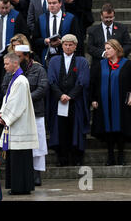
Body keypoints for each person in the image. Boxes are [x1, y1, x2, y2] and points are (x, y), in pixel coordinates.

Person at [91, 39, 131, 166]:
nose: (106, 51)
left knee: (121, 129)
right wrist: (93, 99)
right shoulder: (100, 64)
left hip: (122, 104)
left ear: (116, 49)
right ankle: (110, 157)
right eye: (106, 48)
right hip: (104, 104)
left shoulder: (128, 64)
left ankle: (120, 156)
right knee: (107, 129)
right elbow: (93, 84)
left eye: (109, 48)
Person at [2, 45, 48, 186]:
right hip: (16, 114)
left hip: (35, 111)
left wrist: (26, 98)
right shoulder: (11, 73)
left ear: (27, 56)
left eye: (19, 56)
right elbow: (5, 89)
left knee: (37, 145)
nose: (17, 58)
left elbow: (42, 88)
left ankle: (36, 173)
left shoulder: (38, 69)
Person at [0, 52, 38, 195]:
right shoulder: (14, 79)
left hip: (19, 126)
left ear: (16, 63)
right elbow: (7, 99)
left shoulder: (21, 81)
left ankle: (21, 187)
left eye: (7, 63)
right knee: (15, 157)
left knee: (20, 158)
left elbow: (17, 103)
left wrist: (6, 117)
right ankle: (16, 186)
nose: (4, 66)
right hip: (14, 125)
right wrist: (2, 113)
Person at [47, 34, 90, 166]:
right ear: (62, 45)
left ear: (75, 46)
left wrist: (70, 96)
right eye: (65, 44)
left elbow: (82, 81)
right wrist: (60, 95)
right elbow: (51, 80)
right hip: (59, 101)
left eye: (71, 44)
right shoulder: (54, 60)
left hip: (75, 101)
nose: (68, 47)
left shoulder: (81, 61)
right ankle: (62, 158)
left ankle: (76, 158)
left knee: (75, 128)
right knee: (61, 128)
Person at [32, 0, 81, 66]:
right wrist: (45, 41)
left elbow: (77, 38)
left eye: (54, 3)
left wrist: (62, 42)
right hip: (46, 56)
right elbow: (35, 39)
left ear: (60, 3)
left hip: (65, 56)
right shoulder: (41, 19)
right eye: (49, 3)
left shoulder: (70, 18)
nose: (51, 5)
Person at [87, 3, 131, 69]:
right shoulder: (93, 30)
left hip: (119, 64)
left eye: (111, 17)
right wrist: (104, 53)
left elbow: (128, 45)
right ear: (101, 16)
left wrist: (117, 53)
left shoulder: (122, 28)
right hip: (99, 64)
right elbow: (90, 48)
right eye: (106, 17)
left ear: (114, 16)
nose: (108, 20)